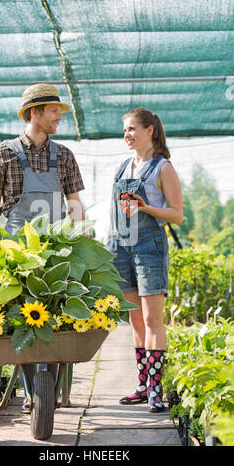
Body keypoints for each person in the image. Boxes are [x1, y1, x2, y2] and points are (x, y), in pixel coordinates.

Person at [0, 83, 86, 411]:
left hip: (57, 252)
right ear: (35, 112)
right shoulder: (5, 153)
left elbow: (75, 204)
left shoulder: (64, 155)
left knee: (54, 320)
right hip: (16, 254)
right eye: (54, 111)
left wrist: (82, 243)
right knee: (21, 319)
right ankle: (34, 393)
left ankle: (46, 391)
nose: (59, 117)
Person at [107, 107, 183, 413]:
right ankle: (142, 385)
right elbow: (115, 211)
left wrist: (147, 208)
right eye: (125, 130)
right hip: (120, 246)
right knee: (134, 319)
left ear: (150, 130)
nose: (127, 134)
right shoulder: (123, 167)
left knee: (152, 319)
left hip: (149, 247)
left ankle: (155, 390)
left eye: (132, 129)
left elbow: (177, 215)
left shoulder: (163, 168)